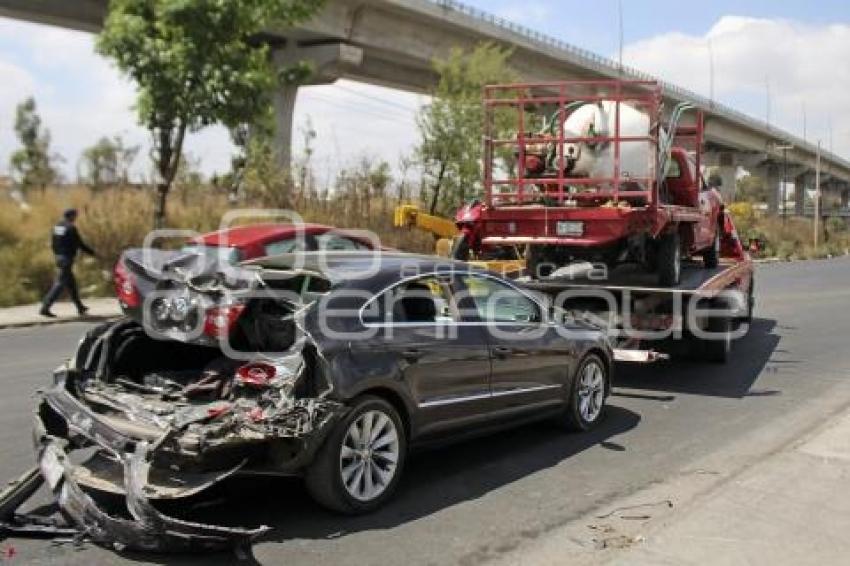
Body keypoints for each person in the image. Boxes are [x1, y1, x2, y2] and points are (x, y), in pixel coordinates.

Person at [40, 208, 97, 318]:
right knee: (60, 284)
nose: (75, 218)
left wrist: (57, 254)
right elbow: (80, 243)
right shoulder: (71, 228)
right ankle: (45, 308)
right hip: (67, 258)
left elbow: (53, 243)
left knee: (71, 284)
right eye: (75, 216)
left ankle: (80, 307)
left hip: (59, 257)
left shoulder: (57, 227)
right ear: (71, 216)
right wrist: (93, 253)